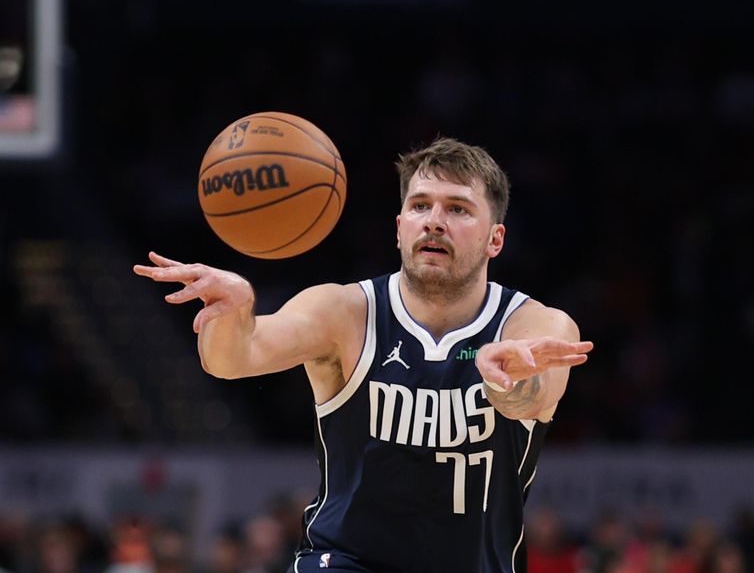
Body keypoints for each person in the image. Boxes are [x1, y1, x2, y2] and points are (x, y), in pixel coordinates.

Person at [133, 136, 593, 573]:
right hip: (344, 560)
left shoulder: (535, 326)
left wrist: (504, 381)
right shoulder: (345, 312)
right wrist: (231, 314)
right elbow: (233, 359)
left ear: (495, 239)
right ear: (399, 229)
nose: (434, 220)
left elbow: (530, 399)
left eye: (458, 209)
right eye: (419, 206)